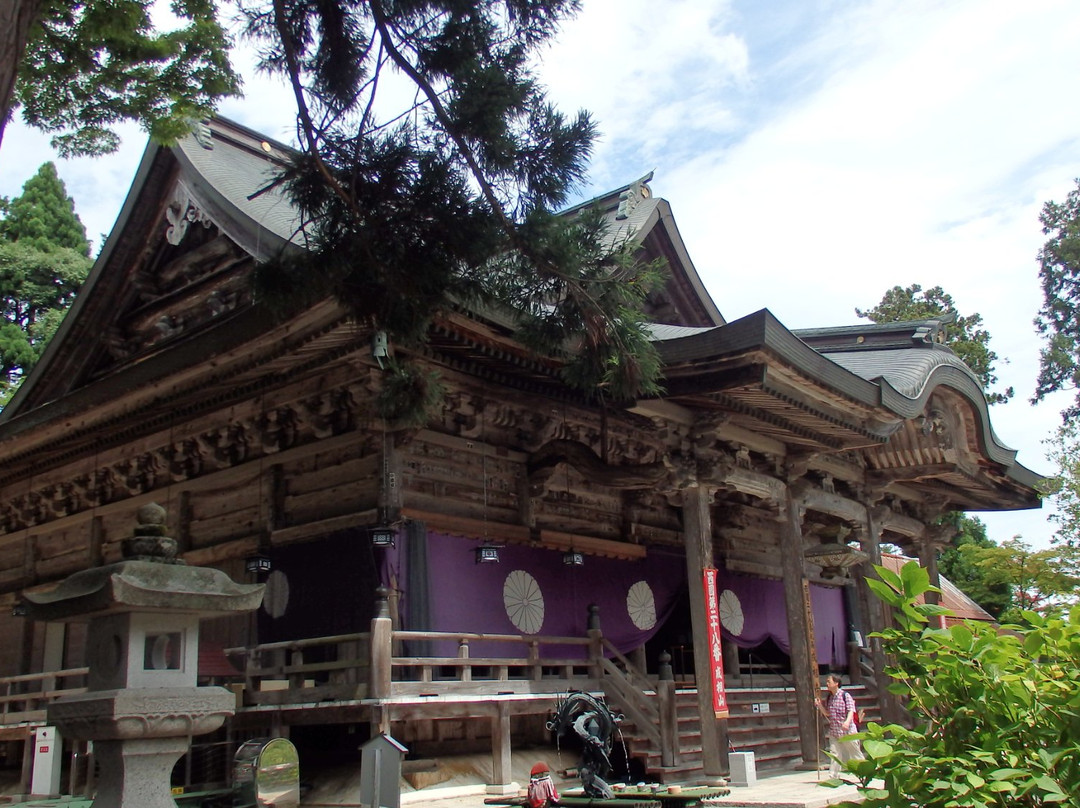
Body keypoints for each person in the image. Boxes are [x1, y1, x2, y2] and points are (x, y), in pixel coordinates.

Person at [814, 673, 865, 778]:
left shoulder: (845, 696)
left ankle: (864, 771)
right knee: (834, 753)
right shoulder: (829, 698)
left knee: (854, 752)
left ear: (836, 683)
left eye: (829, 681)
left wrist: (847, 722)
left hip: (848, 731)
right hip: (834, 731)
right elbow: (828, 713)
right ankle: (833, 775)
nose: (827, 684)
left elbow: (851, 710)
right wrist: (819, 705)